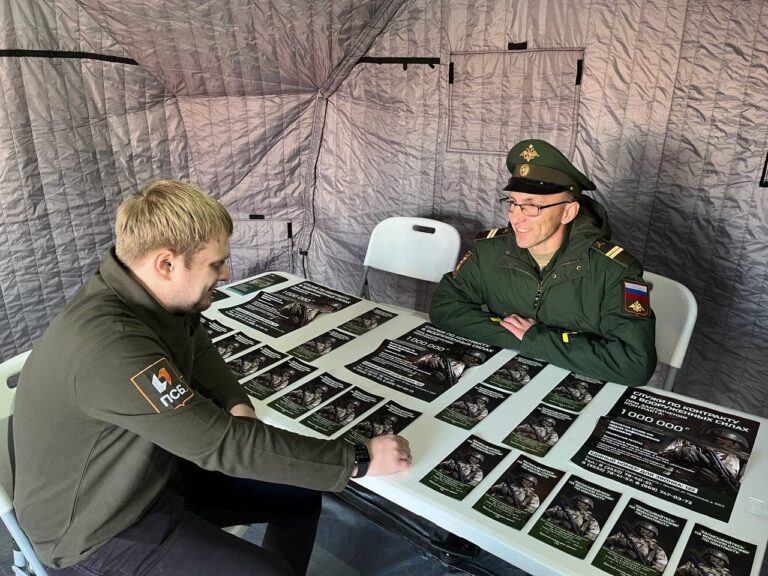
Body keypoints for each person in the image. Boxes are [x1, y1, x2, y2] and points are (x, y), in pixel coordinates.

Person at [12, 180, 412, 576]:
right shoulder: (112, 345)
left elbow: (196, 344)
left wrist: (234, 401)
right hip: (94, 531)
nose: (227, 272)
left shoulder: (148, 295)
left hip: (147, 471)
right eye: (216, 263)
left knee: (302, 494)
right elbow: (220, 444)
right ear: (166, 263)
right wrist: (358, 460)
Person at [429, 139, 656, 386]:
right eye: (513, 203)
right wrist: (519, 336)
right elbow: (445, 308)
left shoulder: (614, 271)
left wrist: (536, 339)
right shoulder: (490, 251)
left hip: (578, 388)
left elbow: (634, 364)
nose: (516, 217)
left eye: (532, 207)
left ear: (568, 212)